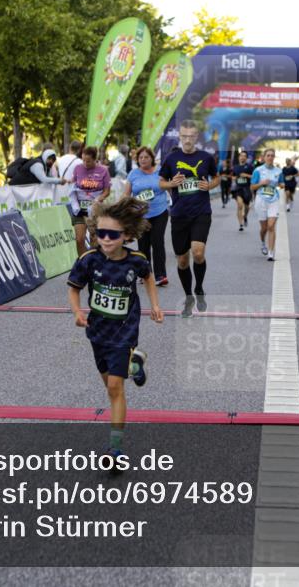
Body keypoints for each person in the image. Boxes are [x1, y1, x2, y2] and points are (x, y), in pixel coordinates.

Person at [67, 197, 163, 460]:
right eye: (100, 234)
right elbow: (74, 289)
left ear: (127, 236)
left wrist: (155, 304)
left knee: (114, 389)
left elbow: (148, 277)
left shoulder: (136, 260)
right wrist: (77, 312)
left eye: (112, 234)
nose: (106, 240)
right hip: (97, 333)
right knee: (109, 382)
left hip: (125, 331)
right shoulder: (88, 260)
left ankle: (116, 448)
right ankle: (136, 363)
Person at [158, 119, 218, 317]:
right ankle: (189, 296)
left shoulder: (206, 157)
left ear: (197, 136)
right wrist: (172, 184)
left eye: (191, 136)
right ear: (180, 136)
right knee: (183, 261)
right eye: (184, 136)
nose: (188, 140)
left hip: (201, 212)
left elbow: (217, 177)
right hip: (179, 214)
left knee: (198, 253)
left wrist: (209, 185)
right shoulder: (171, 158)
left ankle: (199, 287)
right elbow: (161, 183)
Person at [124, 146, 169, 286]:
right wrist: (122, 211)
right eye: (140, 157)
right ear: (137, 160)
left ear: (152, 158)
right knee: (143, 245)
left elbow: (169, 186)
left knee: (157, 241)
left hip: (160, 211)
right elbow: (126, 195)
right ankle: (145, 273)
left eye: (146, 157)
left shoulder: (160, 172)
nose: (143, 160)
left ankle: (161, 275)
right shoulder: (133, 174)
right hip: (141, 215)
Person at [71, 146, 111, 256]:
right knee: (79, 239)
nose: (85, 163)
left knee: (95, 239)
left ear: (95, 159)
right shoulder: (77, 168)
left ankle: (95, 263)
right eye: (83, 160)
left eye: (88, 161)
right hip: (79, 208)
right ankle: (83, 263)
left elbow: (107, 191)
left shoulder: (103, 170)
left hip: (95, 208)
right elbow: (72, 186)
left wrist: (98, 199)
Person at [251, 148, 284, 261]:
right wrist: (261, 183)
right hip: (261, 200)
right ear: (264, 157)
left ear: (274, 157)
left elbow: (281, 183)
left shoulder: (278, 171)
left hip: (273, 200)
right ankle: (262, 242)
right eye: (268, 155)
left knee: (271, 226)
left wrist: (281, 185)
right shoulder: (258, 170)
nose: (270, 157)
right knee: (264, 228)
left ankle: (271, 253)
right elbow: (252, 187)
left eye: (272, 155)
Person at [232, 150, 255, 231]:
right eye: (241, 155)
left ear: (246, 158)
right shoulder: (235, 167)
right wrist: (235, 178)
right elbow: (233, 177)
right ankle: (240, 224)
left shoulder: (250, 167)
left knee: (247, 207)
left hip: (247, 189)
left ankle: (245, 216)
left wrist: (246, 175)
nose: (242, 157)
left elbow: (254, 177)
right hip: (238, 189)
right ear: (239, 157)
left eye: (244, 156)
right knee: (240, 205)